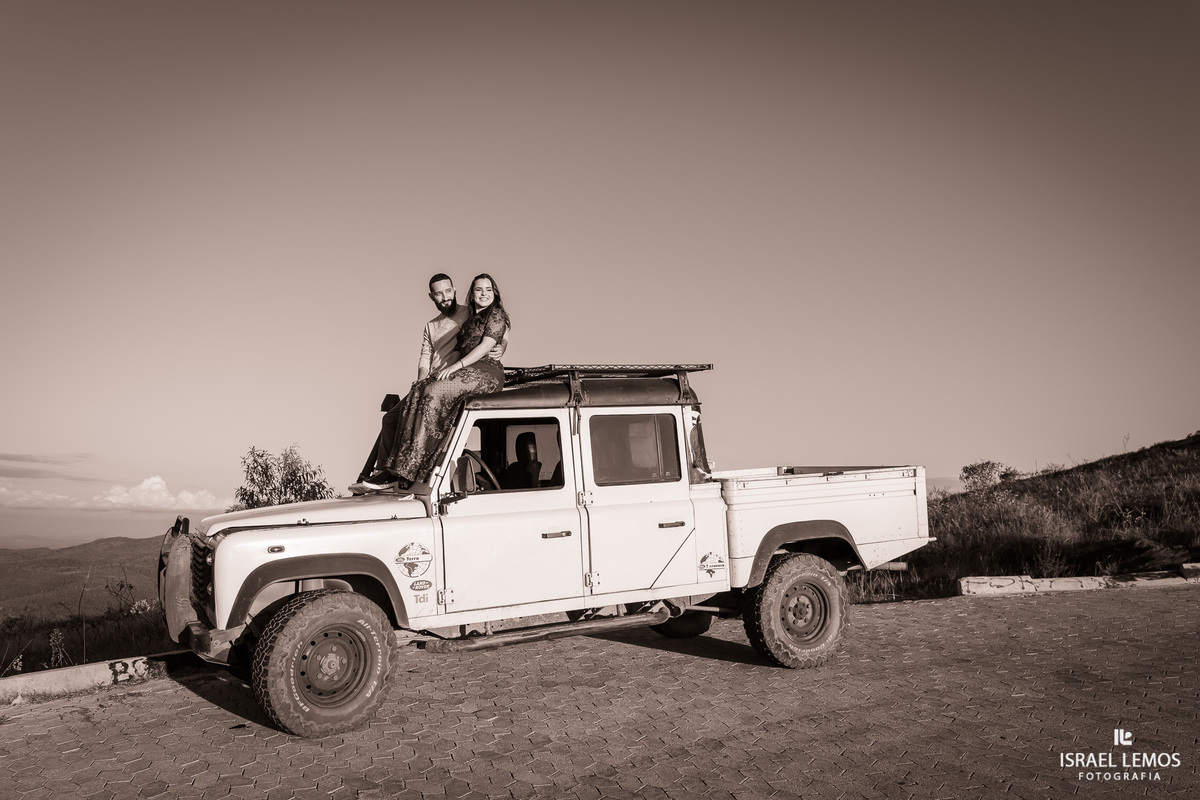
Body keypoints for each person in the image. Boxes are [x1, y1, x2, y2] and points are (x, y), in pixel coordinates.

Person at [350, 273, 503, 491]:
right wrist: (421, 380)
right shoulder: (431, 326)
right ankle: (384, 472)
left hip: (453, 378)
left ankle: (410, 469)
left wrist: (502, 345)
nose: (445, 297)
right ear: (431, 296)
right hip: (434, 379)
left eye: (448, 291)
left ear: (455, 290)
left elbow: (497, 331)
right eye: (439, 294)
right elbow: (425, 356)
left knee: (429, 398)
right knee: (392, 419)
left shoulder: (468, 312)